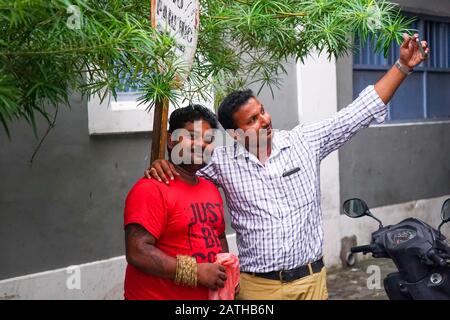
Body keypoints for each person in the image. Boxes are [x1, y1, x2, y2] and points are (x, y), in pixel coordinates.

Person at [145, 34, 430, 300]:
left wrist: (402, 66)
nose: (265, 120)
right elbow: (183, 173)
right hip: (259, 287)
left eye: (262, 111)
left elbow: (358, 112)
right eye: (252, 120)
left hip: (311, 282)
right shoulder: (221, 161)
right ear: (235, 134)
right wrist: (162, 162)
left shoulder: (304, 141)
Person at [124, 105, 234, 300]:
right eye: (192, 136)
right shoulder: (152, 188)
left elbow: (219, 237)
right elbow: (137, 251)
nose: (201, 144)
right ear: (170, 140)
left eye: (208, 140)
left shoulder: (209, 188)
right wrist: (195, 272)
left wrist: (226, 275)